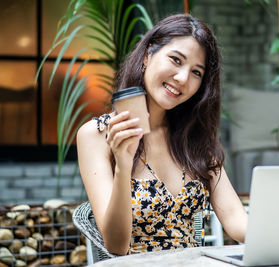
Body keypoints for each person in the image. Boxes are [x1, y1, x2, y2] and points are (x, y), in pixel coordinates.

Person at [77, 13, 248, 256]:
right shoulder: (96, 135)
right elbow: (116, 245)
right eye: (176, 60)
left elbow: (235, 219)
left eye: (196, 72)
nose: (182, 78)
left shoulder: (195, 139)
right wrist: (122, 166)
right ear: (148, 54)